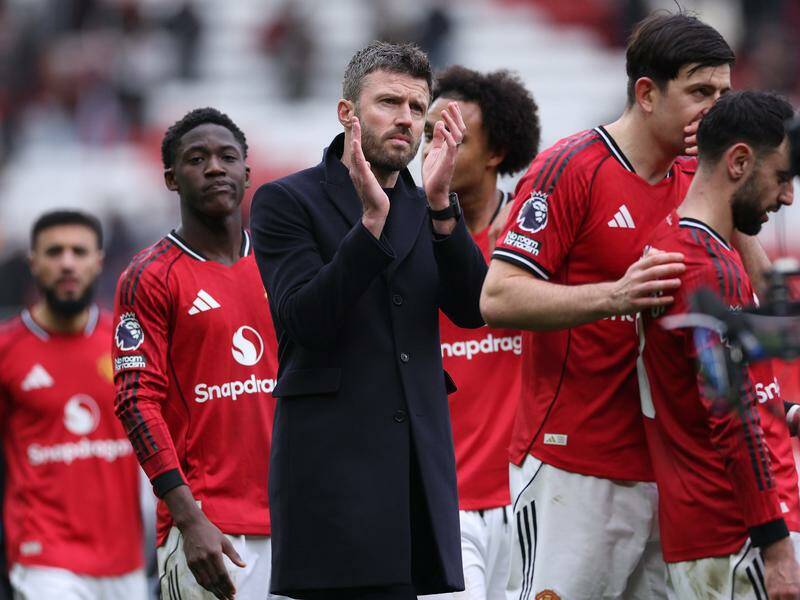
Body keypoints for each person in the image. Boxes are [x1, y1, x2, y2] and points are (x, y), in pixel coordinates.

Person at [481, 13, 741, 599]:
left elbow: (750, 287)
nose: (717, 108)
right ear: (647, 94)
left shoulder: (698, 179)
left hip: (674, 471)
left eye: (725, 94)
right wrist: (615, 296)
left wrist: (728, 183)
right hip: (576, 466)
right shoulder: (571, 167)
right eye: (701, 92)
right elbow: (497, 296)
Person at [250, 41, 487, 599]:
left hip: (414, 476)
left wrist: (442, 206)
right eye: (389, 103)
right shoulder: (285, 201)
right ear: (347, 113)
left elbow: (474, 309)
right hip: (330, 477)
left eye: (416, 107)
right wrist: (370, 227)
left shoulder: (428, 201)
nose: (405, 119)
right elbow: (305, 320)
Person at [637, 90, 800, 599]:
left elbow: (718, 387)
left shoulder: (683, 245)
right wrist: (776, 549)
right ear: (739, 162)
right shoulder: (706, 268)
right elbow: (730, 417)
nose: (789, 197)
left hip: (720, 532)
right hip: (738, 536)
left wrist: (787, 410)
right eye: (782, 178)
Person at [112, 108, 280, 600]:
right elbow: (135, 401)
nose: (214, 168)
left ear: (248, 173)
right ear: (170, 178)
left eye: (228, 157)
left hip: (296, 521)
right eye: (196, 159)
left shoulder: (281, 263)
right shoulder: (150, 275)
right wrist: (189, 519)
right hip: (212, 530)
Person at [422, 65, 539, 599]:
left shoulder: (537, 242)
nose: (434, 148)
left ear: (495, 154)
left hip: (529, 500)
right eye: (428, 134)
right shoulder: (397, 241)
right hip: (438, 504)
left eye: (452, 137)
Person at [0, 210, 146, 599]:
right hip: (43, 558)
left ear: (98, 261)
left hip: (124, 560)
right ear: (34, 263)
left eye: (79, 251)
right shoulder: (6, 350)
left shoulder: (126, 341)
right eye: (54, 252)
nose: (67, 262)